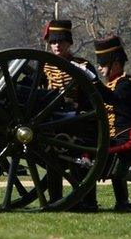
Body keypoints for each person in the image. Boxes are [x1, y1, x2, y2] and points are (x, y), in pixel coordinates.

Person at [42, 19, 98, 211]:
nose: (56, 45)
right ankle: (56, 199)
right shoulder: (45, 66)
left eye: (61, 41)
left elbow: (94, 96)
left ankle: (87, 201)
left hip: (78, 121)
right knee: (53, 162)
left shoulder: (82, 65)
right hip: (53, 122)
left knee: (81, 162)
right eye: (53, 42)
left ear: (69, 43)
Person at [92, 36, 131, 212]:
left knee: (102, 155)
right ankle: (120, 203)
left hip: (128, 139)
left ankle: (122, 203)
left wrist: (93, 81)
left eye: (102, 63)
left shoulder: (127, 84)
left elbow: (112, 98)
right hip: (116, 138)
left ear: (115, 63)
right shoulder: (112, 84)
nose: (99, 67)